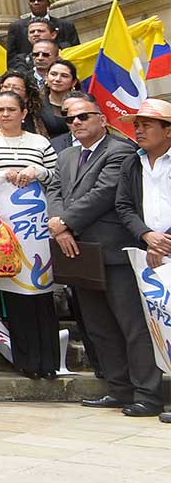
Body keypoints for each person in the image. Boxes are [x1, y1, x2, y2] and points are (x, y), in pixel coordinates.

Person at [46, 93, 161, 418]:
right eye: (70, 119)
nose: (76, 123)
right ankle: (119, 389)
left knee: (132, 326)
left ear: (102, 119)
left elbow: (104, 194)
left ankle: (147, 394)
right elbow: (54, 190)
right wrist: (59, 226)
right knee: (99, 327)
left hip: (115, 251)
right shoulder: (66, 155)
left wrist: (65, 222)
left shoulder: (120, 150)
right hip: (77, 251)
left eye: (83, 116)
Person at [0, 88, 60, 377]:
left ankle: (48, 362)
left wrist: (36, 172)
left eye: (11, 109)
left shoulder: (40, 142)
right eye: (0, 110)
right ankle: (27, 361)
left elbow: (57, 176)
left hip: (37, 230)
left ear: (24, 113)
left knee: (42, 296)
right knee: (16, 297)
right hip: (4, 230)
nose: (5, 115)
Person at [116, 99, 171, 424]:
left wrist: (164, 241)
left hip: (166, 250)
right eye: (136, 124)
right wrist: (147, 236)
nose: (138, 130)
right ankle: (148, 396)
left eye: (147, 125)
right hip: (145, 254)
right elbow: (124, 206)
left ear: (168, 130)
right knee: (146, 325)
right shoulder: (132, 164)